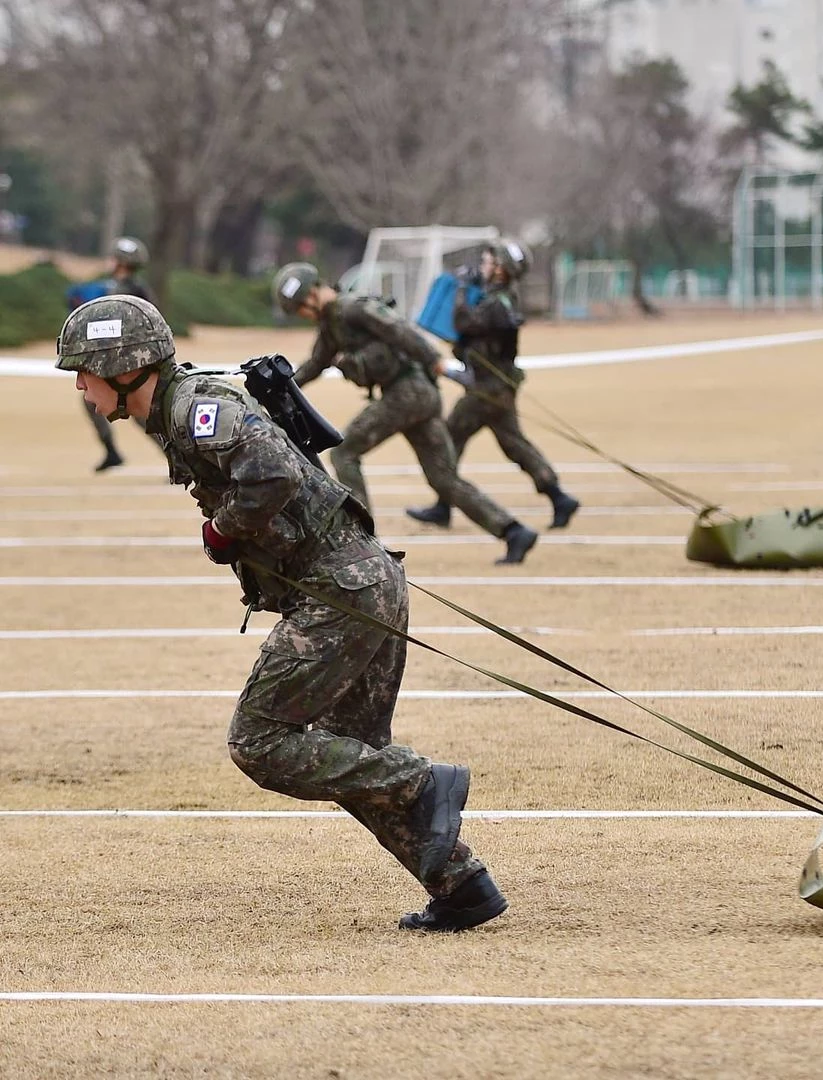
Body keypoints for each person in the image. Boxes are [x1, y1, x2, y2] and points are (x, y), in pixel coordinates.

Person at [55, 294, 509, 933]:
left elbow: (271, 475)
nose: (78, 384)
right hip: (358, 581)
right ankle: (462, 885)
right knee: (352, 753)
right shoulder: (175, 410)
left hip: (342, 590)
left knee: (259, 741)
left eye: (84, 370)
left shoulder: (194, 410)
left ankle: (425, 780)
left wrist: (224, 529)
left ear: (125, 367)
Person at [272, 262, 538, 565]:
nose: (303, 316)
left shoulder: (352, 309)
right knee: (444, 478)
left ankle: (363, 543)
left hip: (408, 393)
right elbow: (316, 363)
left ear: (311, 295)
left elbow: (397, 329)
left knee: (344, 451)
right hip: (415, 396)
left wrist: (433, 359)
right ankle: (513, 531)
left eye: (300, 309)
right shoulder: (332, 324)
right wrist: (280, 385)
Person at [406, 238, 580, 531]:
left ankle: (444, 504)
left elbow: (463, 323)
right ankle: (558, 496)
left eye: (489, 262)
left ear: (501, 270)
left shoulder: (498, 304)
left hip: (487, 390)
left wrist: (461, 289)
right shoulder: (497, 299)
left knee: (447, 438)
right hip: (494, 387)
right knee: (513, 444)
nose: (483, 267)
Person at [71, 236, 159, 472]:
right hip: (113, 361)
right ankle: (111, 452)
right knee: (95, 403)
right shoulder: (113, 286)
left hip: (128, 362)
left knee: (140, 411)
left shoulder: (133, 290)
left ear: (121, 261)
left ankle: (177, 458)